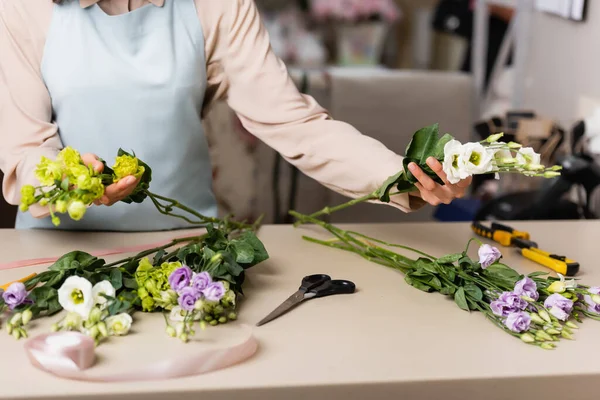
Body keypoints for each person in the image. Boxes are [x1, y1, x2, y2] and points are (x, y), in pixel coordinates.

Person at [0, 0, 471, 232]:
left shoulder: (217, 4)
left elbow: (294, 122)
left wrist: (402, 175)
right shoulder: (20, 9)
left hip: (183, 251)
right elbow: (24, 151)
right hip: (53, 254)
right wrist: (71, 179)